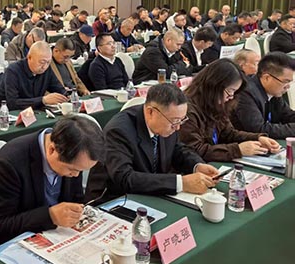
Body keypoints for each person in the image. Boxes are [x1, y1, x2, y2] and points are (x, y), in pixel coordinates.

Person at [0, 115, 105, 264]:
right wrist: (50, 216)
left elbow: (76, 198)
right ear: (52, 150)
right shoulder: (10, 163)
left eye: (81, 171)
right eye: (72, 170)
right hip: (6, 248)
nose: (76, 175)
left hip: (52, 240)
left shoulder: (73, 155)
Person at [85, 84, 218, 200]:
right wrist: (181, 183)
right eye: (175, 121)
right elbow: (125, 178)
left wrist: (196, 165)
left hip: (152, 193)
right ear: (150, 112)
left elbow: (177, 149)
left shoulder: (168, 121)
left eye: (181, 120)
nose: (178, 127)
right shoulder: (118, 131)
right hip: (115, 199)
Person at [179, 59, 279, 161]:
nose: (231, 97)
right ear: (214, 85)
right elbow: (194, 151)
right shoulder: (187, 110)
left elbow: (228, 133)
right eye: (230, 91)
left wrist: (257, 138)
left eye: (234, 92)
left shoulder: (216, 104)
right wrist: (237, 150)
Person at [231, 52, 295, 139]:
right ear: (267, 78)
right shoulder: (245, 93)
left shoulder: (274, 92)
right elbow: (258, 129)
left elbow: (287, 115)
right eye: (285, 81)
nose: (288, 86)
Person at [0, 41, 67, 112]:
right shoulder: (13, 71)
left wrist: (66, 95)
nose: (44, 66)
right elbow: (12, 103)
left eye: (48, 62)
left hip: (33, 112)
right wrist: (43, 100)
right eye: (42, 62)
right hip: (6, 114)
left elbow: (59, 90)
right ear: (29, 57)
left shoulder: (47, 70)